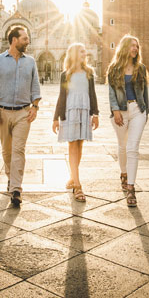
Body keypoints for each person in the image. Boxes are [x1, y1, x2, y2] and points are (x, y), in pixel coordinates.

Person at [0, 26, 41, 206]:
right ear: (14, 40)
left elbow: (36, 87)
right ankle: (11, 177)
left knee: (18, 150)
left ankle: (16, 188)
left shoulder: (30, 61)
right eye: (25, 38)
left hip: (23, 113)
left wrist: (35, 107)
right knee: (7, 151)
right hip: (2, 112)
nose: (28, 41)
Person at [52, 42, 99, 202]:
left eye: (85, 51)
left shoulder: (89, 73)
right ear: (73, 54)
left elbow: (92, 94)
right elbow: (61, 96)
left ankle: (73, 177)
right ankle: (78, 186)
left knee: (79, 146)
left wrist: (96, 114)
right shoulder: (66, 74)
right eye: (81, 51)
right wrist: (55, 118)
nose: (84, 54)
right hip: (70, 111)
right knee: (72, 146)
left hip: (84, 111)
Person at [107, 35, 149, 207]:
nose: (135, 49)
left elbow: (145, 92)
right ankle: (123, 173)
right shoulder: (114, 68)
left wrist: (146, 111)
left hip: (138, 110)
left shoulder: (141, 68)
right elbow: (111, 92)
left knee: (133, 148)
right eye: (132, 45)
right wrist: (115, 110)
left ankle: (131, 187)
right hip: (120, 111)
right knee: (123, 146)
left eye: (137, 46)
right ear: (124, 47)